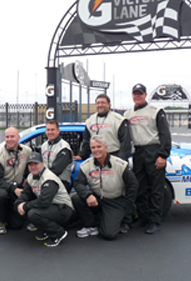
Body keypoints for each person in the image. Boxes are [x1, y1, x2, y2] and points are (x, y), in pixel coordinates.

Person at [124, 83, 171, 234]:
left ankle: (155, 221)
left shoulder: (156, 111)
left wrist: (163, 155)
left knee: (156, 188)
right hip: (138, 152)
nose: (137, 96)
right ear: (132, 95)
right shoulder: (127, 114)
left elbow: (165, 134)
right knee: (140, 187)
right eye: (135, 93)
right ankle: (143, 217)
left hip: (154, 150)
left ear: (145, 95)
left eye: (140, 93)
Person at [72, 135, 138, 240]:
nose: (96, 150)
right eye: (93, 148)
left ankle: (120, 218)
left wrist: (127, 205)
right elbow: (78, 183)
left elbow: (133, 185)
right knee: (76, 198)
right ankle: (91, 226)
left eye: (99, 147)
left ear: (106, 148)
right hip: (97, 199)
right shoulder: (86, 165)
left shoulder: (120, 164)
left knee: (109, 234)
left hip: (115, 201)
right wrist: (88, 195)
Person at [15, 152, 76, 247]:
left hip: (64, 210)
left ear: (43, 164)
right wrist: (19, 203)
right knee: (21, 207)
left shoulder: (49, 178)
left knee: (32, 213)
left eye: (36, 163)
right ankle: (47, 230)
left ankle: (58, 233)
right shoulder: (31, 177)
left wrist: (25, 206)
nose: (33, 166)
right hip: (51, 208)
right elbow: (26, 194)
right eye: (30, 164)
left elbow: (44, 201)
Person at [0, 126, 32, 234]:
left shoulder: (27, 151)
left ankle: (5, 210)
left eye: (12, 136)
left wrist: (28, 178)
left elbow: (32, 168)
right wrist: (13, 189)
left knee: (17, 225)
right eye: (7, 137)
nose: (9, 139)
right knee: (2, 196)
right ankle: (1, 220)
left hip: (18, 187)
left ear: (18, 137)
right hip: (3, 187)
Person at [74, 94, 131, 161]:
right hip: (96, 158)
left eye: (103, 102)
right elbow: (86, 141)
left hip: (115, 157)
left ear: (109, 104)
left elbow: (125, 143)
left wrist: (121, 160)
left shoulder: (119, 120)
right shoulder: (90, 121)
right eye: (98, 103)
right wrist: (82, 155)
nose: (100, 105)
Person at [41, 120, 73, 193]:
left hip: (61, 183)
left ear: (58, 131)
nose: (50, 132)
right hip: (47, 180)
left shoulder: (64, 147)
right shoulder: (44, 145)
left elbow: (56, 170)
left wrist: (39, 177)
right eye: (48, 130)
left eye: (53, 129)